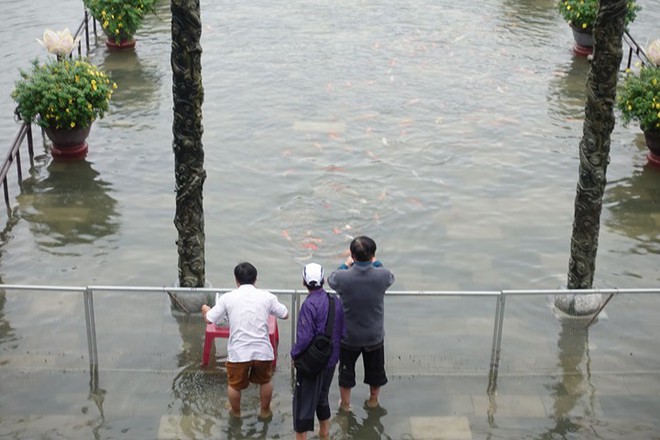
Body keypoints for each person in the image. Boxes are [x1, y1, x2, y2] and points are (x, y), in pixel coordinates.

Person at [201, 262, 289, 419]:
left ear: (236, 280)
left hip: (239, 353)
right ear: (256, 279)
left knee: (234, 385)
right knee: (265, 381)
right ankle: (265, 411)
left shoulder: (227, 298)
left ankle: (236, 412)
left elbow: (209, 319)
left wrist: (205, 309)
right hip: (263, 351)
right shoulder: (267, 297)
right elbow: (285, 314)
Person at [327, 236, 395, 411]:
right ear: (373, 255)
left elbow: (331, 278)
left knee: (346, 373)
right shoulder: (382, 276)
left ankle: (346, 404)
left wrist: (346, 264)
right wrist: (376, 263)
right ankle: (373, 400)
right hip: (374, 335)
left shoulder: (343, 278)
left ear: (352, 255)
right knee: (375, 372)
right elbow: (389, 276)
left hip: (349, 336)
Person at [291, 263, 344, 440]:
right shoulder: (335, 301)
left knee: (303, 405)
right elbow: (342, 332)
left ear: (304, 282)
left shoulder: (309, 305)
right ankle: (324, 434)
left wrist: (294, 355)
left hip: (312, 364)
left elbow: (304, 338)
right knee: (322, 397)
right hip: (331, 360)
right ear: (323, 280)